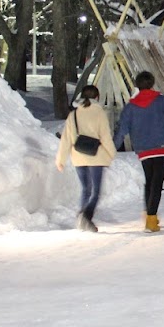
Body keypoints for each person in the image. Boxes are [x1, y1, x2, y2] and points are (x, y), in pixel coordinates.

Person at [114, 71, 164, 232]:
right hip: (162, 147)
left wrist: (114, 146)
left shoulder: (131, 106)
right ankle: (151, 218)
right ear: (152, 83)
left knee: (150, 181)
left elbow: (122, 128)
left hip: (143, 148)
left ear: (137, 85)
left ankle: (149, 212)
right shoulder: (163, 102)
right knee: (157, 183)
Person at [55, 84, 115, 232]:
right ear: (97, 97)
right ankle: (86, 217)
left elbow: (66, 139)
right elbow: (106, 136)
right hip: (97, 156)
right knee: (95, 191)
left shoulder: (73, 114)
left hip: (79, 156)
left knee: (85, 189)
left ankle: (81, 219)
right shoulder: (99, 113)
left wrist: (60, 160)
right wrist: (112, 153)